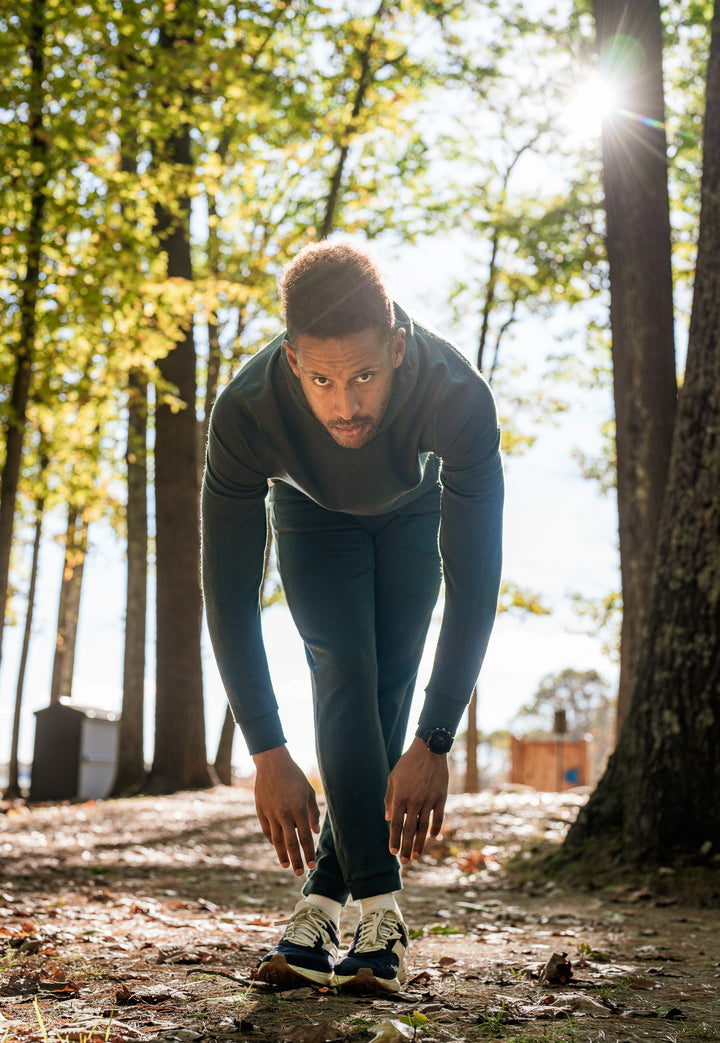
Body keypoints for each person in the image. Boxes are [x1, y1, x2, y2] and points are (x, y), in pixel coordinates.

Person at [201, 240, 504, 994]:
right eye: (324, 380)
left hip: (414, 510)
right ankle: (381, 910)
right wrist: (267, 749)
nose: (346, 404)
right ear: (292, 360)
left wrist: (436, 737)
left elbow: (476, 580)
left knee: (390, 681)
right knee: (344, 663)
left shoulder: (455, 396)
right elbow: (229, 590)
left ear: (398, 347)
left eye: (366, 375)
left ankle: (317, 906)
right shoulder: (246, 411)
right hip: (311, 513)